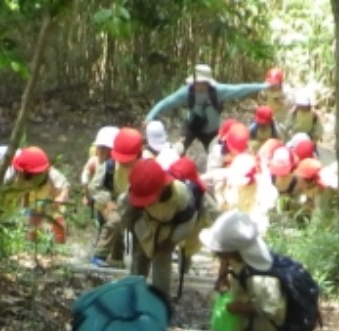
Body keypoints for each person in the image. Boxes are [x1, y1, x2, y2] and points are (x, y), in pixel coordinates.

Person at [199, 211, 285, 331]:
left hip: (261, 322)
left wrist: (239, 307)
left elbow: (270, 307)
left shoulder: (260, 276)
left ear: (232, 251)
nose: (215, 254)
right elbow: (226, 260)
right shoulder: (242, 254)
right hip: (251, 318)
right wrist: (223, 274)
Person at [146, 65, 279, 158]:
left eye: (202, 83)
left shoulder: (218, 91)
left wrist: (265, 85)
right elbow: (167, 102)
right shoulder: (187, 91)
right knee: (178, 150)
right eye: (197, 82)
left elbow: (241, 89)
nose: (199, 85)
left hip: (211, 131)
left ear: (208, 83)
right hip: (192, 126)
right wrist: (150, 116)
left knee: (216, 154)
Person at [124, 159, 205, 299]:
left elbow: (188, 222)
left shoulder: (181, 196)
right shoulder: (135, 188)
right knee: (138, 261)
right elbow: (127, 210)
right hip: (144, 226)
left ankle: (160, 300)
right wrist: (130, 226)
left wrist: (171, 241)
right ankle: (134, 294)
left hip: (166, 235)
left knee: (161, 267)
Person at [0, 146, 70, 245]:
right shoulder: (10, 175)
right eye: (25, 175)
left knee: (56, 215)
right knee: (0, 213)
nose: (26, 177)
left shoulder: (51, 175)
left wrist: (61, 198)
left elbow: (64, 185)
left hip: (41, 190)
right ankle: (29, 242)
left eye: (29, 175)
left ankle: (60, 245)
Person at [88, 127, 145, 266]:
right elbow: (93, 187)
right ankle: (99, 255)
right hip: (111, 201)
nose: (125, 163)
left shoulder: (145, 166)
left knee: (139, 227)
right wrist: (107, 200)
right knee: (115, 221)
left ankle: (121, 258)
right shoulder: (109, 166)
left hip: (136, 202)